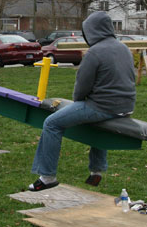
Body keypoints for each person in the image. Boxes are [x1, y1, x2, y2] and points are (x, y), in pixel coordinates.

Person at [28, 11, 136, 191]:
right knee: (98, 124)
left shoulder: (95, 52)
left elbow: (82, 86)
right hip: (126, 106)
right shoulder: (123, 48)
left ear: (92, 31)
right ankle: (97, 171)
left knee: (51, 123)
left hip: (103, 107)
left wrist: (77, 102)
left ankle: (47, 177)